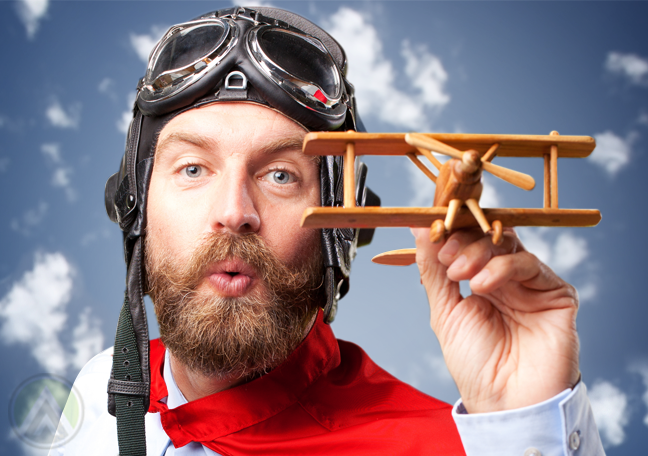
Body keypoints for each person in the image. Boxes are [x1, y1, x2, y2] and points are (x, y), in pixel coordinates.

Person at [52, 6, 605, 456]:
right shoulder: (102, 386)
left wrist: (528, 429)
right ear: (133, 207)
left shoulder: (442, 448)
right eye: (193, 169)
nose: (234, 211)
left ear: (341, 228)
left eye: (280, 175)